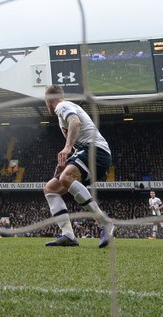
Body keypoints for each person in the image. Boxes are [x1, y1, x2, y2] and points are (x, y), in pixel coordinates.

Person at [43, 84, 114, 248]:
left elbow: (75, 122)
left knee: (66, 177)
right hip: (86, 152)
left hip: (96, 150)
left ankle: (105, 223)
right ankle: (68, 235)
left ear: (49, 100)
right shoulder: (64, 111)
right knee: (50, 189)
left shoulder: (62, 106)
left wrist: (67, 148)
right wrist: (66, 163)